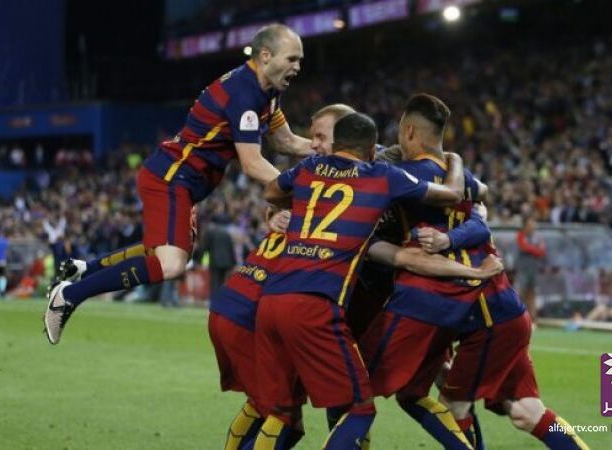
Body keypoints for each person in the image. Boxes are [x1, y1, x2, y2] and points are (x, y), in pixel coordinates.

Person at [209, 104, 500, 450]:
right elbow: (453, 200)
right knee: (362, 403)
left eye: (320, 137)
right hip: (334, 302)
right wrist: (457, 165)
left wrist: (283, 207)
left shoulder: (318, 170)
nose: (314, 145)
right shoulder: (381, 176)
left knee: (286, 410)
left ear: (341, 140)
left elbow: (272, 190)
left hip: (288, 300)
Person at [44, 24, 313, 345]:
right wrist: (304, 187)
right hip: (172, 179)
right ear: (266, 56)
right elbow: (252, 163)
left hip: (181, 181)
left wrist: (333, 151)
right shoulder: (244, 94)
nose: (298, 67)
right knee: (171, 264)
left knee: (165, 251)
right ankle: (69, 296)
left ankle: (84, 269)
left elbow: (285, 141)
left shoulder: (266, 91)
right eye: (292, 58)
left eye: (300, 59)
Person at [358, 94, 489, 449]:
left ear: (410, 131)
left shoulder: (399, 175)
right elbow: (482, 194)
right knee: (421, 391)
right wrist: (456, 160)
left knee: (353, 383)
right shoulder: (460, 176)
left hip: (420, 296)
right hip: (465, 297)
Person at [417, 223, 588, 450]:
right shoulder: (465, 218)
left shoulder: (447, 221)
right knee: (527, 412)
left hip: (490, 323)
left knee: (453, 407)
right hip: (507, 316)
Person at [515, 215, 546, 322]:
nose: (532, 226)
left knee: (532, 293)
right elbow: (523, 247)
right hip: (523, 269)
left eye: (533, 224)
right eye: (530, 224)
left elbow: (542, 251)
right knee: (521, 293)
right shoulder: (520, 235)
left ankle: (533, 319)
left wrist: (532, 250)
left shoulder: (537, 237)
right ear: (525, 225)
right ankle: (518, 317)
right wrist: (535, 250)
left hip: (533, 269)